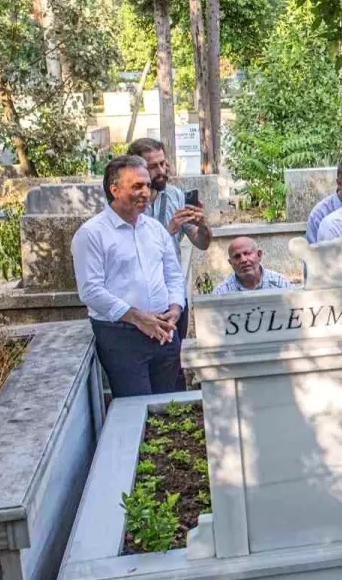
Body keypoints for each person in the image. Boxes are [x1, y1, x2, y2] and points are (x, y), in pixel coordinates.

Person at [71, 155, 185, 398]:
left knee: (170, 406)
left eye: (147, 185)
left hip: (164, 330)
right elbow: (90, 290)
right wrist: (138, 318)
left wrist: (175, 308)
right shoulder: (91, 234)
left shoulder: (155, 229)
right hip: (121, 334)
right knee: (135, 408)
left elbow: (173, 275)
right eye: (137, 186)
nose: (146, 192)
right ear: (115, 190)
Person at [129, 137, 212, 342]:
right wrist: (169, 231)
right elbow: (133, 253)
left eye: (163, 163)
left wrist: (203, 225)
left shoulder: (175, 195)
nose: (161, 171)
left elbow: (201, 243)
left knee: (175, 356)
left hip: (173, 296)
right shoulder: (127, 204)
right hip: (141, 302)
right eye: (153, 166)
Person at [213, 236, 293, 295]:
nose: (243, 260)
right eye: (237, 256)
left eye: (247, 253)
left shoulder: (280, 283)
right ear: (231, 263)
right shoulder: (222, 292)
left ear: (259, 255)